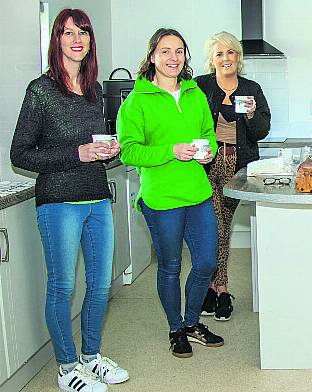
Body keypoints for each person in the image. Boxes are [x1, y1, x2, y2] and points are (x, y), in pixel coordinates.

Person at [10, 8, 129, 392]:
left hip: (96, 197)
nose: (77, 39)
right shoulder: (40, 90)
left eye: (83, 32)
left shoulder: (94, 91)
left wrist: (107, 151)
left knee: (99, 286)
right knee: (62, 286)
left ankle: (91, 358)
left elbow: (92, 145)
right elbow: (21, 154)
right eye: (67, 33)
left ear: (90, 40)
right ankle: (66, 367)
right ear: (56, 40)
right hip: (58, 202)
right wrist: (76, 154)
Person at [117, 28, 224, 358]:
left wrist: (209, 152)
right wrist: (170, 151)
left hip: (198, 193)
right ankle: (176, 328)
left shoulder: (195, 95)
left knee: (206, 263)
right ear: (152, 56)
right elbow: (129, 152)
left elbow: (209, 134)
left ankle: (192, 322)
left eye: (179, 51)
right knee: (171, 266)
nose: (173, 58)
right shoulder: (136, 101)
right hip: (161, 199)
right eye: (165, 51)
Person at [194, 31, 271, 321]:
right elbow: (189, 122)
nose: (226, 59)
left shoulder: (252, 88)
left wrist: (251, 115)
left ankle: (214, 289)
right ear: (211, 60)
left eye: (231, 53)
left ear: (238, 57)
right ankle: (221, 289)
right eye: (219, 54)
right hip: (206, 166)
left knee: (220, 226)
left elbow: (261, 132)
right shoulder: (200, 87)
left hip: (237, 167)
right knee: (217, 227)